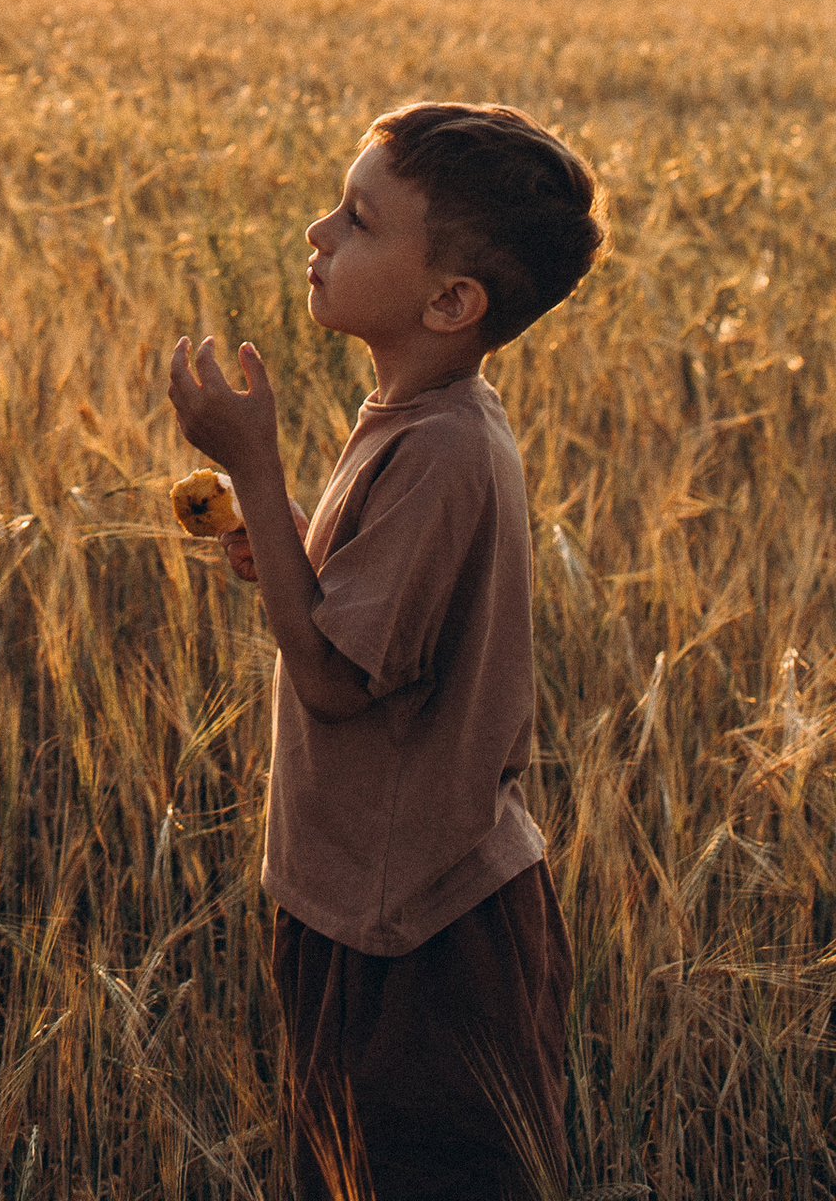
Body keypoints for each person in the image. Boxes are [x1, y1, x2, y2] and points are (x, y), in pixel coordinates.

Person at [165, 102, 605, 1201]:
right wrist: (274, 546)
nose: (319, 231)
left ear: (452, 301)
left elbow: (328, 680)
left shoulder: (444, 449)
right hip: (355, 899)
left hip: (423, 929)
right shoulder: (415, 418)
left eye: (358, 220)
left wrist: (257, 468)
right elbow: (363, 622)